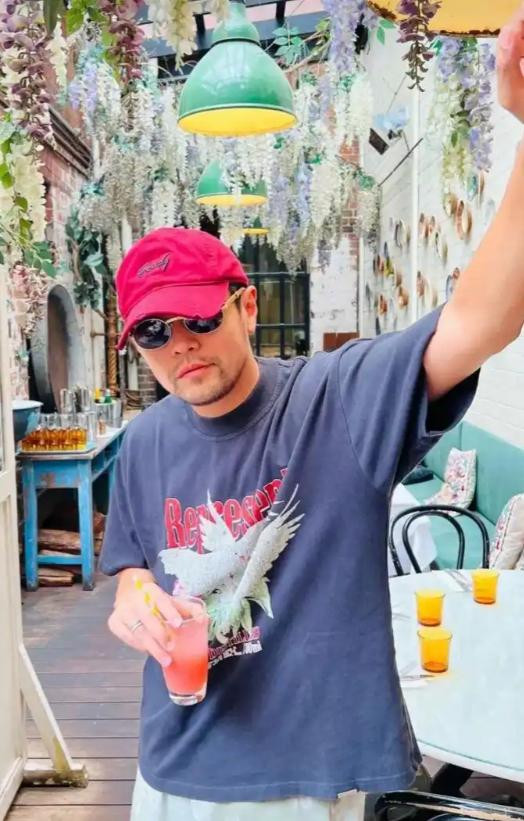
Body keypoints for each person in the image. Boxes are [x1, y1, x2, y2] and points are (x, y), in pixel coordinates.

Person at [101, 12, 524, 820]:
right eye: (152, 332)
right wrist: (133, 600)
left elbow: (485, 319)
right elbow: (132, 567)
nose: (179, 344)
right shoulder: (145, 438)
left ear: (247, 307)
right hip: (169, 767)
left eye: (198, 317)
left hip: (300, 780)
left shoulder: (339, 398)